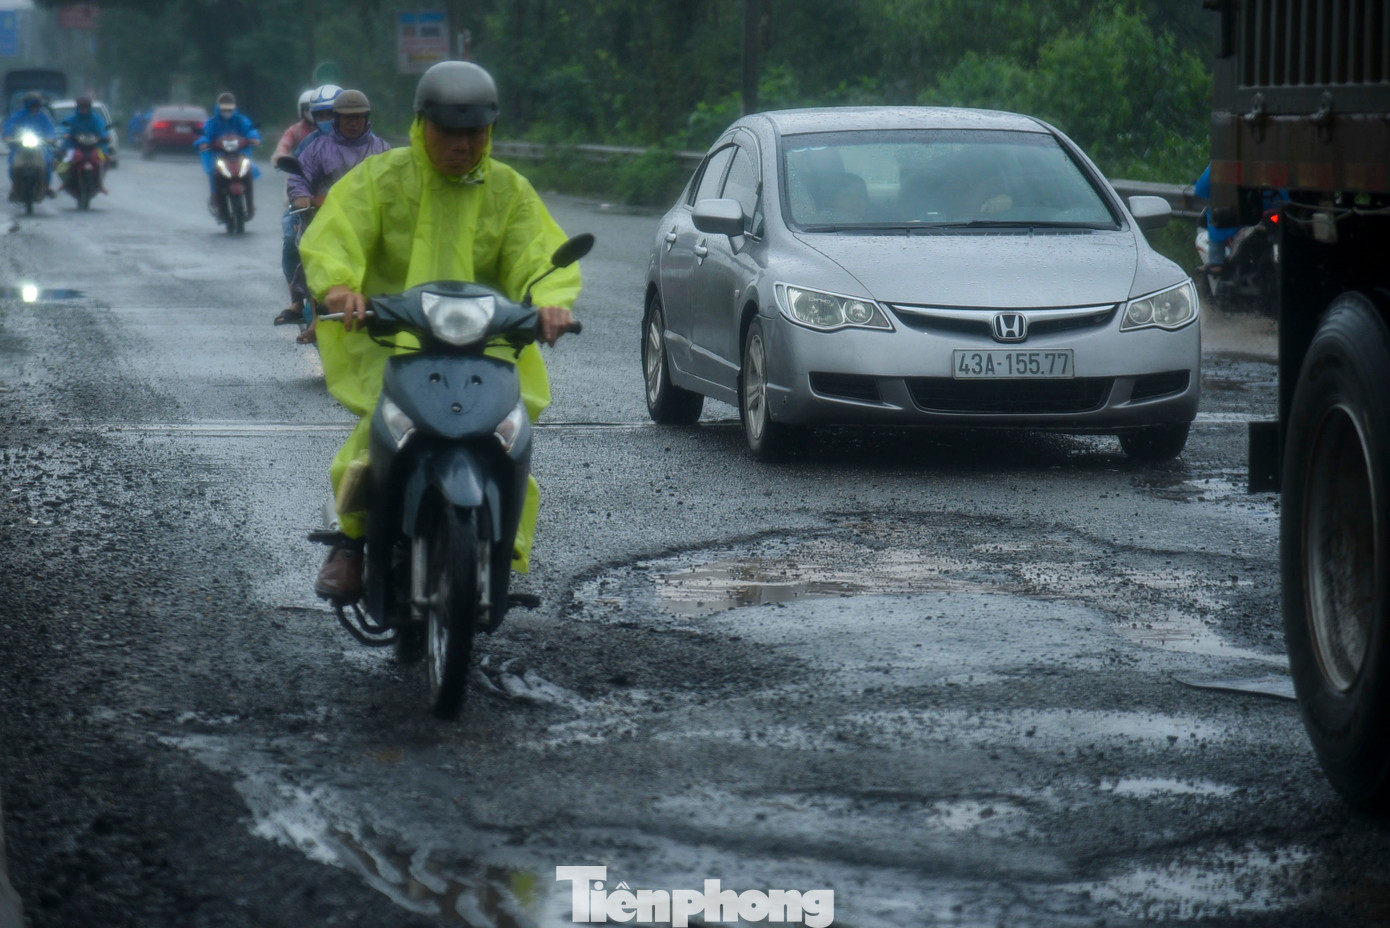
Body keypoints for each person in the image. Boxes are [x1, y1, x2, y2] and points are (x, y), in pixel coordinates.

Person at [298, 60, 581, 600]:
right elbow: (337, 234)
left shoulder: (507, 189)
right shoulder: (381, 179)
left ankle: (496, 541)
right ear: (421, 123)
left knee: (507, 436)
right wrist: (340, 288)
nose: (463, 144)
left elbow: (540, 255)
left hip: (488, 344)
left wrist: (551, 304)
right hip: (392, 339)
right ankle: (352, 540)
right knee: (379, 432)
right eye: (449, 131)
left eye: (475, 132)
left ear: (490, 131)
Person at [273, 89, 391, 340]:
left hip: (369, 224)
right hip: (324, 222)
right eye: (346, 118)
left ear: (366, 119)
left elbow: (395, 183)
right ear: (337, 119)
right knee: (314, 259)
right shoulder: (317, 148)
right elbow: (298, 178)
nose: (352, 123)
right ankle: (315, 320)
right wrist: (303, 196)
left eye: (358, 117)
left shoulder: (381, 149)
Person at [195, 92, 261, 208]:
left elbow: (250, 129)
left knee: (249, 169)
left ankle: (250, 201)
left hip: (239, 153)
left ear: (234, 108)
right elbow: (205, 135)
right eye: (224, 109)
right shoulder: (212, 122)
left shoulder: (241, 120)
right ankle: (215, 196)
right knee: (214, 172)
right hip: (217, 155)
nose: (227, 112)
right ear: (218, 108)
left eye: (229, 109)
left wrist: (254, 138)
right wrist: (203, 143)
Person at [3, 93, 57, 199]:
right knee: (13, 163)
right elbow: (9, 126)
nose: (35, 107)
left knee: (47, 162)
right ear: (27, 104)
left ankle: (47, 185)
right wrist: (8, 136)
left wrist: (51, 138)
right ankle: (15, 186)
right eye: (33, 104)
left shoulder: (43, 117)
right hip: (20, 146)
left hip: (40, 146)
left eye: (37, 104)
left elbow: (50, 129)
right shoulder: (18, 116)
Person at [273, 90, 315, 162]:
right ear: (301, 111)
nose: (311, 113)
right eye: (308, 109)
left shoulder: (330, 128)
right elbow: (284, 144)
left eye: (314, 109)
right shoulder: (296, 130)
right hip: (300, 169)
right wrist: (280, 155)